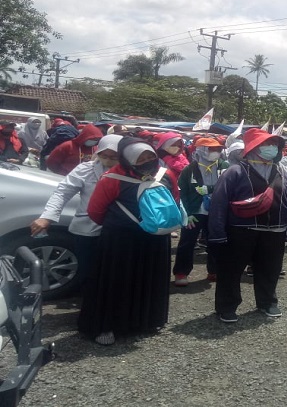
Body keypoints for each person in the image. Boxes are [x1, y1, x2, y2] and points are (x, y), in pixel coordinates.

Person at [81, 137, 179, 345]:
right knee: (116, 282)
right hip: (121, 243)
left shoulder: (165, 174)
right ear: (126, 159)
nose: (146, 161)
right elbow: (95, 211)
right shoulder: (112, 178)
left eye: (149, 156)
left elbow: (174, 201)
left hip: (152, 239)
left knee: (148, 280)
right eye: (139, 158)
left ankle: (145, 321)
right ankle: (107, 326)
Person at [208, 129, 287, 323]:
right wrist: (217, 233)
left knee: (270, 269)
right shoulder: (234, 172)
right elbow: (219, 203)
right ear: (253, 147)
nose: (271, 148)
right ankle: (227, 306)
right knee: (231, 270)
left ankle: (267, 302)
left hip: (275, 232)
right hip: (240, 230)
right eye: (266, 144)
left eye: (274, 144)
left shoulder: (283, 172)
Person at [30, 134, 123, 291]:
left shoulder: (130, 171)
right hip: (88, 228)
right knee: (89, 270)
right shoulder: (85, 169)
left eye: (114, 157)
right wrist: (47, 217)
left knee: (116, 270)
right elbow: (63, 192)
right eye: (104, 156)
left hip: (119, 229)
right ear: (98, 152)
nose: (108, 160)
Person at [174, 137, 228, 285]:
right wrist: (186, 213)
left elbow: (229, 185)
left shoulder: (224, 166)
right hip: (195, 211)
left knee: (216, 241)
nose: (216, 152)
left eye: (218, 149)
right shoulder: (189, 169)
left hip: (216, 211)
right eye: (212, 149)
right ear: (201, 150)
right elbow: (182, 191)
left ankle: (214, 270)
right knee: (187, 242)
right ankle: (181, 272)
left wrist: (210, 189)